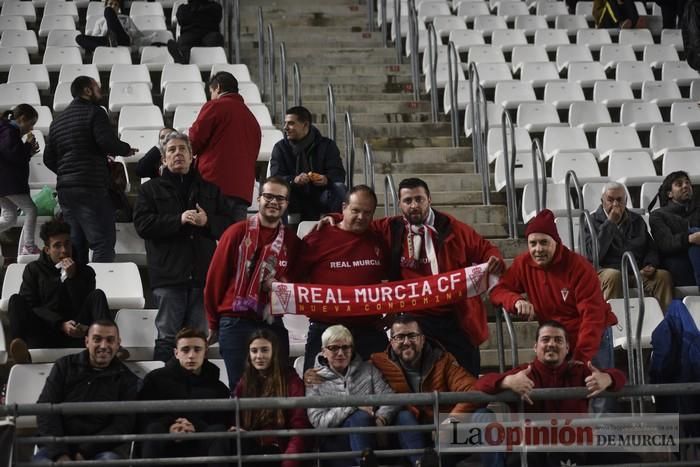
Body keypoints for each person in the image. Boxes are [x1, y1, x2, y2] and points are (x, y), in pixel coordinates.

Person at [330, 177, 504, 376]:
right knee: (418, 380)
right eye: (408, 201)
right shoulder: (391, 228)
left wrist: (494, 259)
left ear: (429, 199)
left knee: (465, 377)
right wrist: (333, 218)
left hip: (455, 316)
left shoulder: (454, 228)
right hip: (413, 318)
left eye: (419, 199)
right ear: (399, 204)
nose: (414, 205)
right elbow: (358, 221)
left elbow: (486, 249)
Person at [490, 209, 618, 412]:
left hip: (592, 334)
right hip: (556, 337)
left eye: (544, 242)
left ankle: (602, 438)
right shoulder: (523, 264)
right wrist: (515, 301)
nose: (538, 249)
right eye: (533, 243)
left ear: (556, 242)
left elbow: (592, 316)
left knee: (597, 388)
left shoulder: (579, 266)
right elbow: (498, 290)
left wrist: (580, 358)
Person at [133, 132, 234, 361]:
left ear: (192, 157)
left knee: (198, 341)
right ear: (163, 159)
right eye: (171, 150)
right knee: (168, 338)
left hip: (203, 277)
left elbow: (230, 226)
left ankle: (197, 395)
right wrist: (178, 220)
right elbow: (142, 225)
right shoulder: (150, 190)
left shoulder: (211, 189)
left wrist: (207, 222)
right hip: (169, 277)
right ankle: (162, 394)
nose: (177, 153)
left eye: (183, 150)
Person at [474, 320, 626, 467]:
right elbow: (481, 383)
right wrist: (506, 381)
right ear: (535, 347)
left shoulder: (579, 372)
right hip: (529, 448)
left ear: (567, 348)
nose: (551, 344)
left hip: (569, 445)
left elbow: (620, 376)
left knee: (625, 455)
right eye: (545, 340)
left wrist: (608, 378)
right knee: (483, 416)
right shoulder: (523, 373)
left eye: (558, 340)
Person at [204, 176, 302, 390]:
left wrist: (279, 286)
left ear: (286, 204)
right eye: (268, 196)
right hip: (235, 320)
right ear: (258, 199)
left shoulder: (292, 242)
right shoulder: (236, 232)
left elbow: (295, 282)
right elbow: (214, 279)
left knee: (278, 386)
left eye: (280, 198)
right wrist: (213, 322)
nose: (274, 202)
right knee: (241, 388)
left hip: (271, 320)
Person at [43, 76, 135, 264]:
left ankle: (79, 289)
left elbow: (47, 159)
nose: (100, 91)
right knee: (103, 242)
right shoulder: (95, 112)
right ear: (87, 90)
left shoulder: (57, 122)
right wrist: (125, 149)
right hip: (90, 187)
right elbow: (105, 142)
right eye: (97, 87)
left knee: (76, 244)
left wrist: (66, 173)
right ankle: (101, 289)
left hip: (66, 191)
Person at [299, 185, 388, 371]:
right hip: (326, 328)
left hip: (369, 329)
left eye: (367, 212)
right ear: (343, 208)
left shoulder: (379, 238)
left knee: (386, 388)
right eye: (355, 210)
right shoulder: (318, 237)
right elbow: (295, 276)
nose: (361, 217)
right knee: (315, 389)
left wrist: (393, 314)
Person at [369, 314, 477, 466]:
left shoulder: (443, 360)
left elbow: (472, 389)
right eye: (400, 337)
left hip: (439, 433)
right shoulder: (378, 362)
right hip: (403, 435)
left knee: (483, 418)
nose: (406, 342)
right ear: (391, 341)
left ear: (422, 338)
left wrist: (449, 421)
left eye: (412, 336)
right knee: (403, 416)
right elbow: (352, 375)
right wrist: (322, 369)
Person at [8, 220, 113, 363]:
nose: (64, 250)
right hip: (44, 331)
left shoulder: (86, 271)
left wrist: (72, 278)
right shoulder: (34, 270)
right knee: (16, 300)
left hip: (76, 332)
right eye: (57, 245)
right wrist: (60, 324)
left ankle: (109, 344)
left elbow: (83, 305)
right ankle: (19, 349)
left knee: (97, 295)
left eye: (67, 243)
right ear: (47, 250)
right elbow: (33, 306)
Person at [34, 321, 138, 463]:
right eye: (97, 339)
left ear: (118, 344)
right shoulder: (64, 366)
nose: (103, 345)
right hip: (58, 448)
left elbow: (122, 425)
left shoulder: (128, 379)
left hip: (104, 450)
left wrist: (84, 451)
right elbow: (45, 410)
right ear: (87, 341)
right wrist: (60, 454)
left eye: (110, 340)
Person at [212, 329, 309, 467]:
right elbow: (235, 418)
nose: (259, 356)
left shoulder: (291, 381)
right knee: (221, 438)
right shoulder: (245, 382)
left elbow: (299, 428)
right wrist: (236, 429)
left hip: (279, 450)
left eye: (264, 350)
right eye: (254, 351)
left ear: (274, 352)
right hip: (250, 445)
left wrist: (289, 462)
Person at [307, 325, 398, 467]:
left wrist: (381, 419)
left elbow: (390, 398)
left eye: (346, 348)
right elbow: (319, 421)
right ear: (323, 351)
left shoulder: (368, 370)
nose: (341, 353)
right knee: (359, 416)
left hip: (370, 433)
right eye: (334, 348)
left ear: (352, 349)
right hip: (334, 441)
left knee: (366, 418)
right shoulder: (314, 378)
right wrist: (353, 405)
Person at [138, 327, 231, 465]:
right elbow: (143, 417)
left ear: (205, 353)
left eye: (197, 350)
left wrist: (195, 427)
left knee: (219, 433)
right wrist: (170, 425)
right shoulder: (155, 379)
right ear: (176, 353)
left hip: (201, 443)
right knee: (154, 429)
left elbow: (220, 422)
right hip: (165, 440)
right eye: (185, 350)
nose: (191, 355)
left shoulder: (219, 388)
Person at [588, 182, 673, 311]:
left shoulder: (636, 220)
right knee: (614, 276)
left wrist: (650, 263)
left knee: (662, 276)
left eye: (619, 200)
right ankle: (615, 325)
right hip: (606, 272)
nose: (615, 204)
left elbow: (651, 247)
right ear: (602, 201)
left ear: (626, 200)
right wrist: (610, 223)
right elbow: (592, 255)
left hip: (636, 271)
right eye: (610, 200)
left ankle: (664, 324)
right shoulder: (591, 221)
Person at [189, 72, 261, 222]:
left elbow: (194, 141)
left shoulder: (215, 106)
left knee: (207, 238)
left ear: (218, 88)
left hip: (213, 185)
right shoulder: (252, 118)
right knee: (234, 241)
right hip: (242, 191)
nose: (211, 97)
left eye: (211, 92)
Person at [270, 106, 347, 221]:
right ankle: (281, 234)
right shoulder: (280, 147)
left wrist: (326, 179)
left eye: (291, 123)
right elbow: (275, 178)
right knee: (278, 192)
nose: (285, 127)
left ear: (305, 125)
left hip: (320, 195)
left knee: (339, 187)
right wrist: (294, 180)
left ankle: (335, 230)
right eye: (285, 123)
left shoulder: (327, 145)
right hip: (292, 197)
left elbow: (338, 173)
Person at [0, 103, 40, 256]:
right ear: (22, 119)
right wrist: (27, 147)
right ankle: (28, 246)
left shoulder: (5, 130)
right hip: (9, 182)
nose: (30, 129)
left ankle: (28, 246)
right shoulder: (9, 131)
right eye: (31, 124)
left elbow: (15, 156)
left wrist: (28, 151)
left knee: (9, 218)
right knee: (31, 210)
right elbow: (13, 155)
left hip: (4, 183)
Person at [649, 171, 700, 287]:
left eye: (688, 183)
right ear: (669, 194)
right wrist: (690, 238)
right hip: (677, 259)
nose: (685, 186)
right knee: (694, 233)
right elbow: (666, 244)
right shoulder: (658, 215)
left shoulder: (698, 210)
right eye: (679, 184)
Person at [75, 0, 156, 52]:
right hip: (106, 40)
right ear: (105, 5)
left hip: (122, 39)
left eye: (116, 4)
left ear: (118, 8)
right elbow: (95, 36)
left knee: (109, 11)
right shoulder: (100, 21)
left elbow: (137, 35)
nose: (113, 6)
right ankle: (108, 44)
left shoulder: (126, 18)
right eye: (110, 4)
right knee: (79, 38)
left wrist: (128, 31)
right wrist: (105, 31)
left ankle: (110, 42)